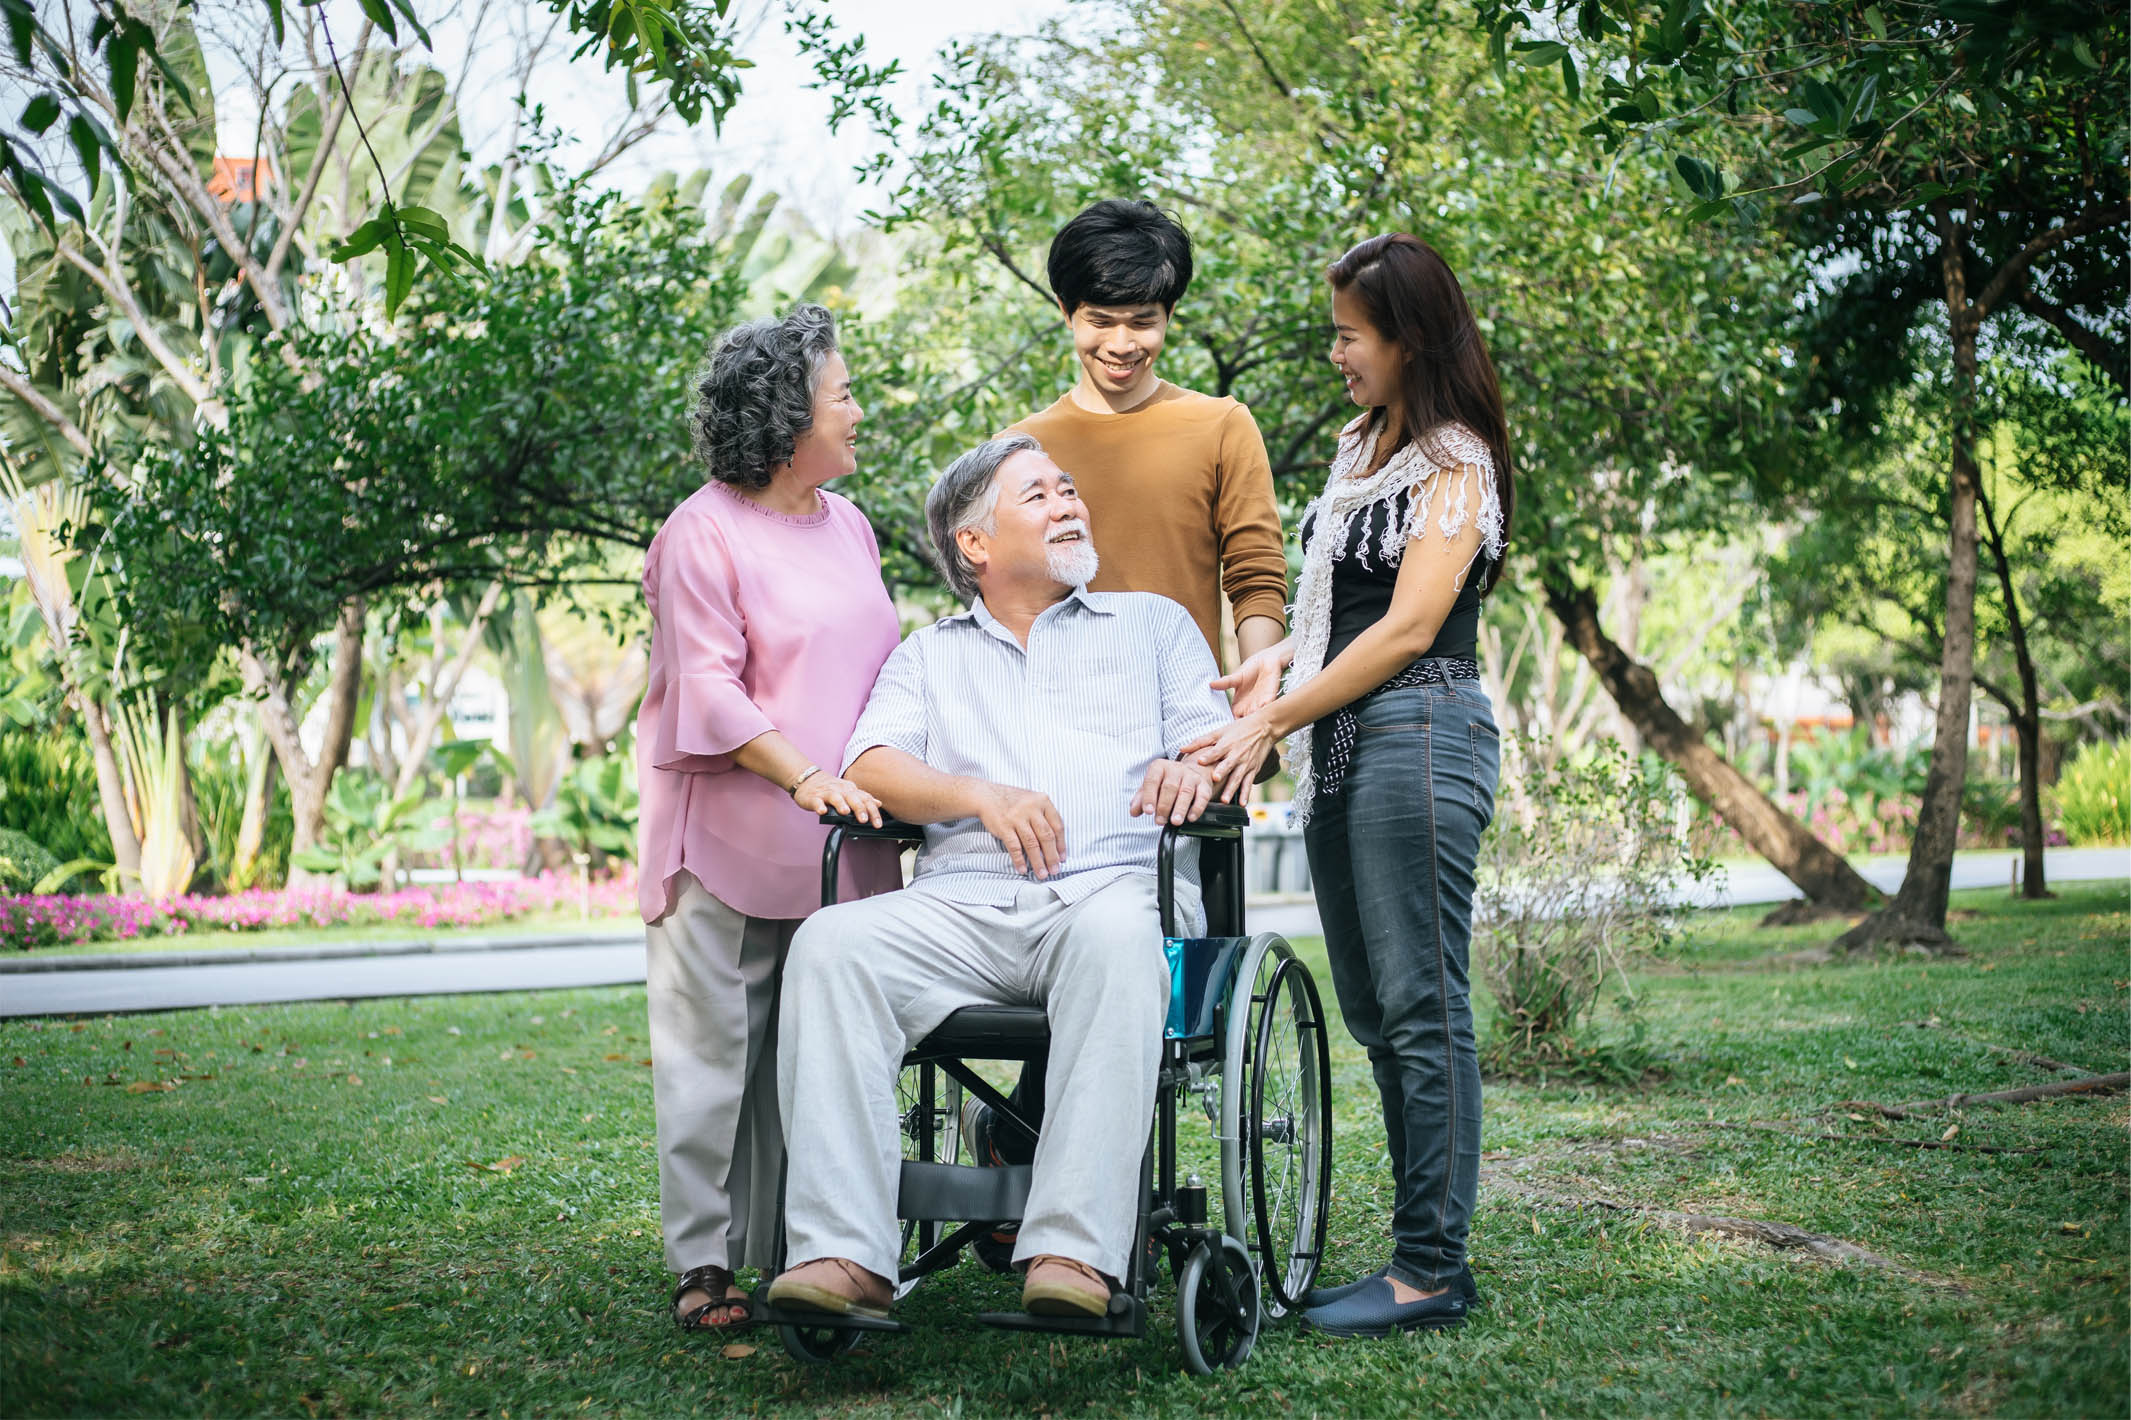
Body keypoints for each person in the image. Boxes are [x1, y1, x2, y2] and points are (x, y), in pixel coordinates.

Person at [764, 433, 1229, 1321]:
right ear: (973, 544)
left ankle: (1071, 1252)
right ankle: (844, 1256)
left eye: (1069, 491)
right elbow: (872, 763)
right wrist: (976, 795)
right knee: (830, 944)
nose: (1069, 505)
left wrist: (1193, 771)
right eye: (1040, 496)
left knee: (1114, 936)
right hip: (960, 906)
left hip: (1108, 893)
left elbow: (1214, 746)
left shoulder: (1155, 625)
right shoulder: (929, 655)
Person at [1182, 233, 1514, 1338]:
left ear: (1408, 339)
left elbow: (1415, 624)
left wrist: (1275, 713)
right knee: (1376, 1010)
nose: (1334, 353)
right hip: (1346, 744)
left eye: (1348, 334)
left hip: (1419, 732)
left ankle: (1431, 1268)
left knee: (1424, 1008)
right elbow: (1342, 608)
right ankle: (1420, 1254)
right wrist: (1273, 663)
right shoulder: (1359, 442)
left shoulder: (1455, 458)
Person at [962, 199, 1290, 1218]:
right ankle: (1033, 1142)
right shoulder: (1025, 448)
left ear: (1168, 318)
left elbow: (1255, 580)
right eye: (1100, 318)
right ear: (1066, 313)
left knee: (1145, 956)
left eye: (1141, 319)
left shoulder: (1218, 426)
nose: (1120, 342)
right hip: (1056, 747)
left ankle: (1051, 1163)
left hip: (1180, 742)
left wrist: (1253, 708)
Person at [636, 304, 902, 1335]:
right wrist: (803, 777)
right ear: (791, 414)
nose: (859, 410)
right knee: (713, 1068)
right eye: (844, 395)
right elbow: (704, 688)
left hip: (847, 851)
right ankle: (704, 1265)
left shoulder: (851, 525)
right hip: (732, 846)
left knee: (817, 1062)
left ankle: (811, 1249)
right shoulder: (699, 530)